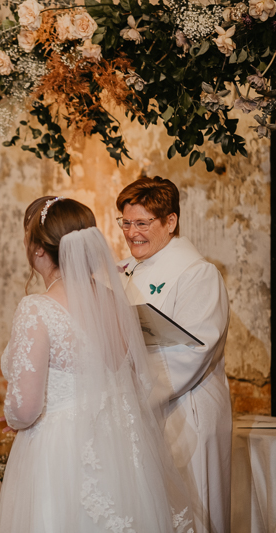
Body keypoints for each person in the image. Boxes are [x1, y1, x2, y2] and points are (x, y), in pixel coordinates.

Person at [0, 197, 195, 532]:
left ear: (38, 250)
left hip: (60, 450)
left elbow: (26, 408)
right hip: (119, 446)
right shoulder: (115, 301)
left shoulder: (37, 308)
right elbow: (133, 381)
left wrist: (16, 415)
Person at [115, 177, 231, 533]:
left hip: (186, 408)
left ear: (170, 222)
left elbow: (197, 349)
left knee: (193, 509)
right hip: (142, 405)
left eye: (142, 223)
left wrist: (135, 390)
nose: (132, 232)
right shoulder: (126, 269)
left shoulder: (198, 274)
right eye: (126, 222)